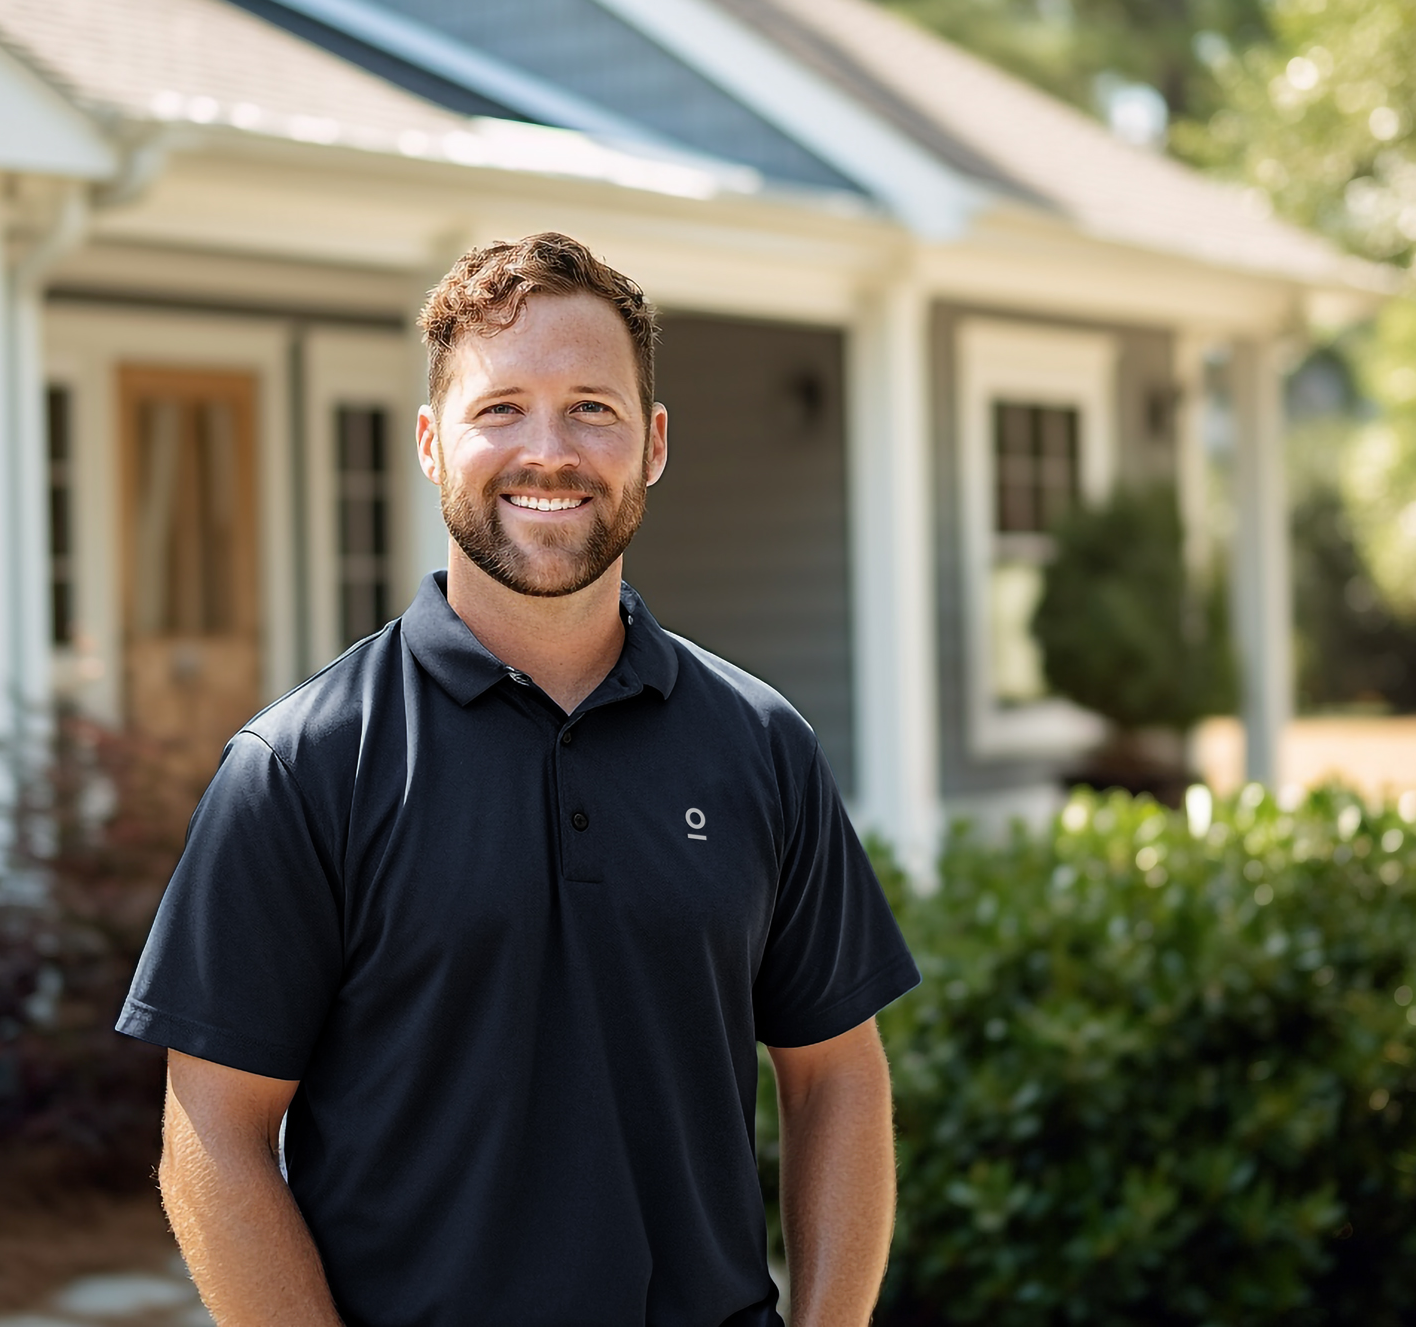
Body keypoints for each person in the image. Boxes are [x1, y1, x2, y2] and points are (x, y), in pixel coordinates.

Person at [117, 232, 919, 1327]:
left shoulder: (759, 744)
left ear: (652, 444)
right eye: (500, 409)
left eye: (593, 406)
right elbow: (210, 1135)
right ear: (431, 444)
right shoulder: (303, 766)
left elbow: (835, 1077)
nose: (549, 450)